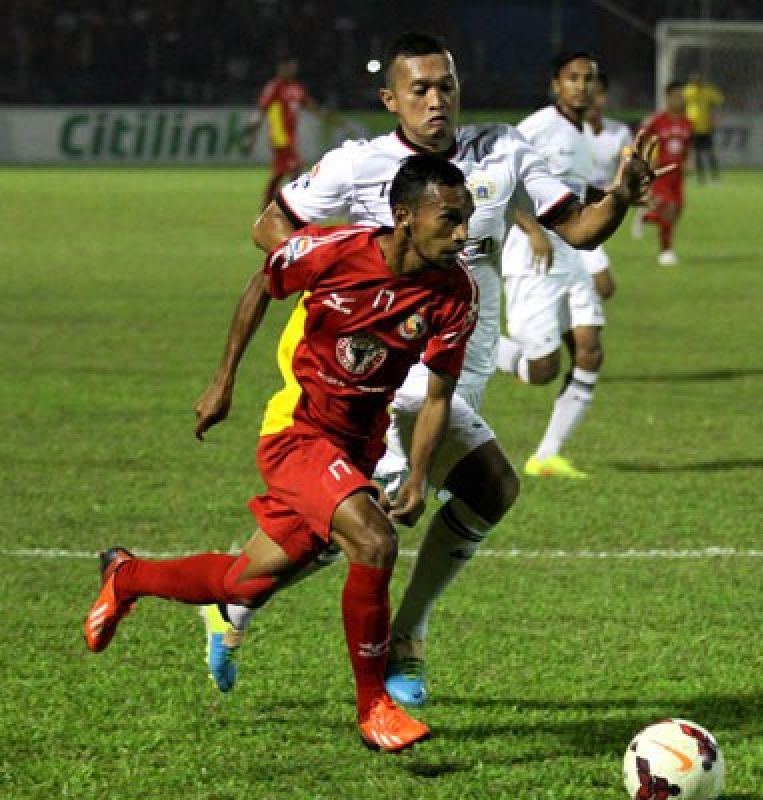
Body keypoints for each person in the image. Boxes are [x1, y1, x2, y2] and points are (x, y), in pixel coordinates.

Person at [192, 33, 660, 706]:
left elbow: (581, 229)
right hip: (386, 368)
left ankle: (235, 602)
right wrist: (350, 277)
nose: (437, 100)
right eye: (420, 89)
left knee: (447, 502)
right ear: (392, 100)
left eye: (447, 86)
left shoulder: (502, 149)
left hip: (461, 363)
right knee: (388, 508)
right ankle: (399, 650)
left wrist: (621, 195)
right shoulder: (359, 165)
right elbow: (272, 228)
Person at [85, 156, 479, 752]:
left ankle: (126, 575)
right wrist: (224, 381)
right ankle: (374, 705)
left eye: (466, 220)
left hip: (355, 449)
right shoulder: (333, 251)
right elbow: (259, 286)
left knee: (243, 580)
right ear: (404, 217)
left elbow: (437, 397)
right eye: (449, 219)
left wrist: (418, 477)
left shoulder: (456, 293)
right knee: (374, 542)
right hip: (297, 435)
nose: (461, 234)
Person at [495, 51, 607, 480]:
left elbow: (573, 193)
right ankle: (474, 346)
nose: (582, 85)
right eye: (572, 78)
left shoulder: (582, 134)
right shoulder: (539, 126)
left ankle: (547, 454)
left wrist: (618, 196)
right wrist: (532, 229)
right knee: (541, 369)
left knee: (589, 350)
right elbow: (501, 177)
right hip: (533, 256)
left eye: (589, 78)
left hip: (571, 255)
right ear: (555, 84)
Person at [580, 70, 633, 301]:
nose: (593, 99)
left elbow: (627, 172)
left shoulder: (619, 133)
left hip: (598, 215)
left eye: (598, 93)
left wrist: (634, 186)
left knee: (599, 289)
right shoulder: (564, 132)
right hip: (569, 218)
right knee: (604, 286)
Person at [246, 57, 322, 209]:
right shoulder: (275, 87)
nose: (291, 70)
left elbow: (306, 102)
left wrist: (322, 113)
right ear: (281, 68)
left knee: (281, 171)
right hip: (279, 135)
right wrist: (252, 131)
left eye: (293, 67)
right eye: (288, 67)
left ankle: (270, 204)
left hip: (290, 136)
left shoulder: (296, 87)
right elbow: (262, 108)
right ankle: (290, 204)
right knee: (295, 167)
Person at [640, 80, 693, 267]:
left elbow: (687, 147)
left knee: (677, 211)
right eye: (676, 96)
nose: (680, 100)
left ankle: (646, 217)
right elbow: (641, 138)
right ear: (668, 98)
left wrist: (689, 162)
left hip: (678, 175)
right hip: (661, 172)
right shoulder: (657, 120)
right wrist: (647, 160)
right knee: (669, 209)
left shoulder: (688, 123)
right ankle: (666, 252)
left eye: (682, 97)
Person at [683, 72, 723, 184]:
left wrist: (715, 117)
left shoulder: (708, 91)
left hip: (706, 127)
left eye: (698, 81)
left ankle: (714, 178)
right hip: (692, 128)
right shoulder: (687, 91)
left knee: (710, 153)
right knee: (697, 154)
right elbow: (681, 106)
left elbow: (719, 102)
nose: (696, 83)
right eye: (694, 81)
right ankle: (701, 178)